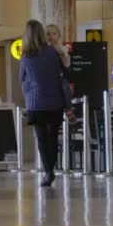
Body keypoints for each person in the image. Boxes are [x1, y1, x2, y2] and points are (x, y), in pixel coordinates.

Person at [20, 20, 65, 187]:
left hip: (36, 102)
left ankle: (48, 171)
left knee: (41, 138)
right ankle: (51, 167)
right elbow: (61, 72)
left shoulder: (26, 56)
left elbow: (22, 80)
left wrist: (28, 92)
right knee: (53, 136)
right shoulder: (52, 53)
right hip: (55, 102)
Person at [46, 24, 76, 123]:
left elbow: (67, 67)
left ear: (58, 36)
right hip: (46, 78)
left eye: (54, 34)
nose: (51, 37)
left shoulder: (62, 48)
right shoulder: (43, 50)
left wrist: (63, 54)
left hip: (59, 77)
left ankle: (69, 110)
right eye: (48, 34)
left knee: (65, 86)